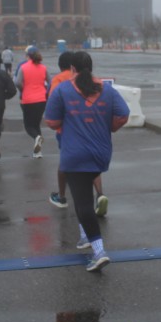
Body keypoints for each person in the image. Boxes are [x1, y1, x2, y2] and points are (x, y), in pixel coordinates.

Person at [44, 51, 129, 272]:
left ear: (72, 69)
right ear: (91, 68)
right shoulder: (107, 90)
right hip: (100, 153)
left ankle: (99, 251)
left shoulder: (63, 90)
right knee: (84, 195)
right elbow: (123, 114)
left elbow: (51, 121)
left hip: (75, 154)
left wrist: (67, 121)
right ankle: (84, 236)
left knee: (83, 203)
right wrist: (110, 127)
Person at [47, 51, 109, 215]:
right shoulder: (94, 81)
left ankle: (62, 197)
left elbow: (52, 106)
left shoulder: (59, 80)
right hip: (92, 126)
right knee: (91, 161)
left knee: (66, 161)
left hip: (68, 129)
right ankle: (100, 194)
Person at [15, 46, 50, 158]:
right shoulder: (43, 67)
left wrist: (23, 89)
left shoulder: (23, 67)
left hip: (28, 100)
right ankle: (37, 152)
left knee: (28, 126)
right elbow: (50, 82)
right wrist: (45, 91)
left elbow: (17, 82)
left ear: (28, 56)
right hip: (42, 99)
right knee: (36, 124)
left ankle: (37, 138)